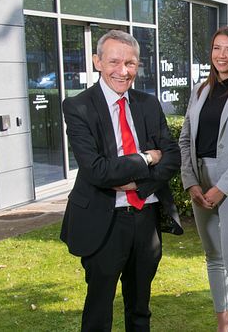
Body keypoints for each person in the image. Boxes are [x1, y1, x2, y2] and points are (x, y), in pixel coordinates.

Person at [60, 30, 183, 332]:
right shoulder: (78, 107)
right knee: (99, 311)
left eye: (130, 63)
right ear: (97, 62)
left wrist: (137, 186)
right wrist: (145, 159)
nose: (123, 70)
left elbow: (172, 157)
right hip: (104, 221)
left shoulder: (148, 104)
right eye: (114, 61)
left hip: (145, 219)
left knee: (140, 308)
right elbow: (97, 171)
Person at [179, 27, 228, 332]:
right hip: (200, 180)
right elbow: (185, 138)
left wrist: (222, 188)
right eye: (216, 48)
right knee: (213, 255)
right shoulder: (199, 90)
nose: (221, 56)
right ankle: (224, 323)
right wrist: (191, 182)